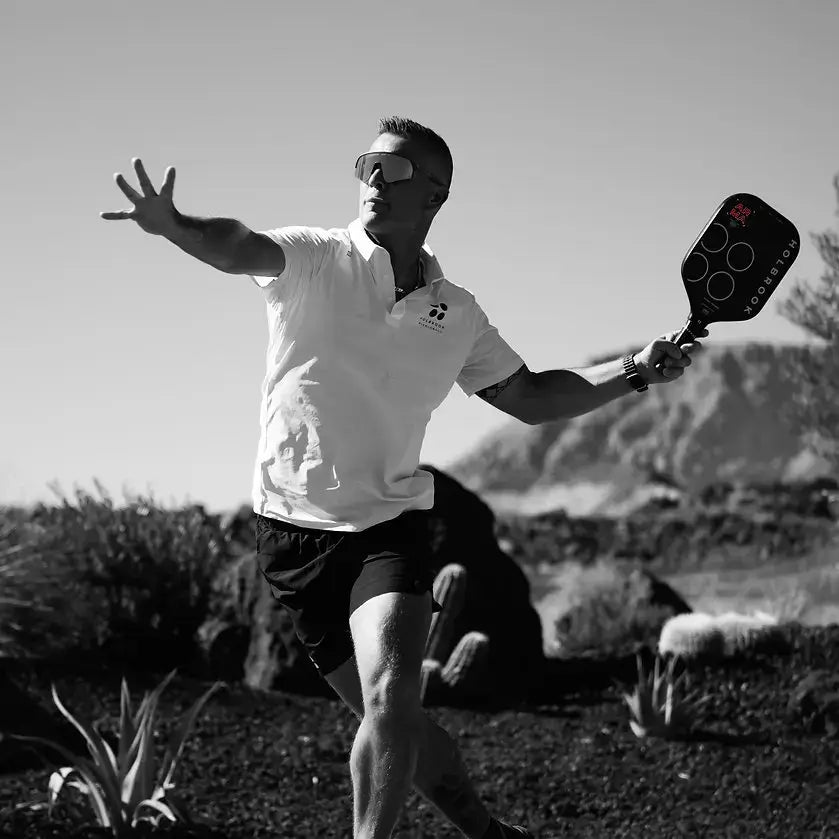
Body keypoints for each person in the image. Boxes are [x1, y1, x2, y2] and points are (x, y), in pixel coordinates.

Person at [102, 116, 706, 839]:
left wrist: (633, 371)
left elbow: (534, 395)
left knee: (391, 696)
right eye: (365, 167)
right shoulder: (314, 258)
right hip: (293, 537)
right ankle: (488, 831)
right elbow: (235, 243)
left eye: (390, 171)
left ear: (434, 195)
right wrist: (174, 225)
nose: (371, 182)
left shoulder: (456, 313)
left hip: (387, 527)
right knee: (395, 721)